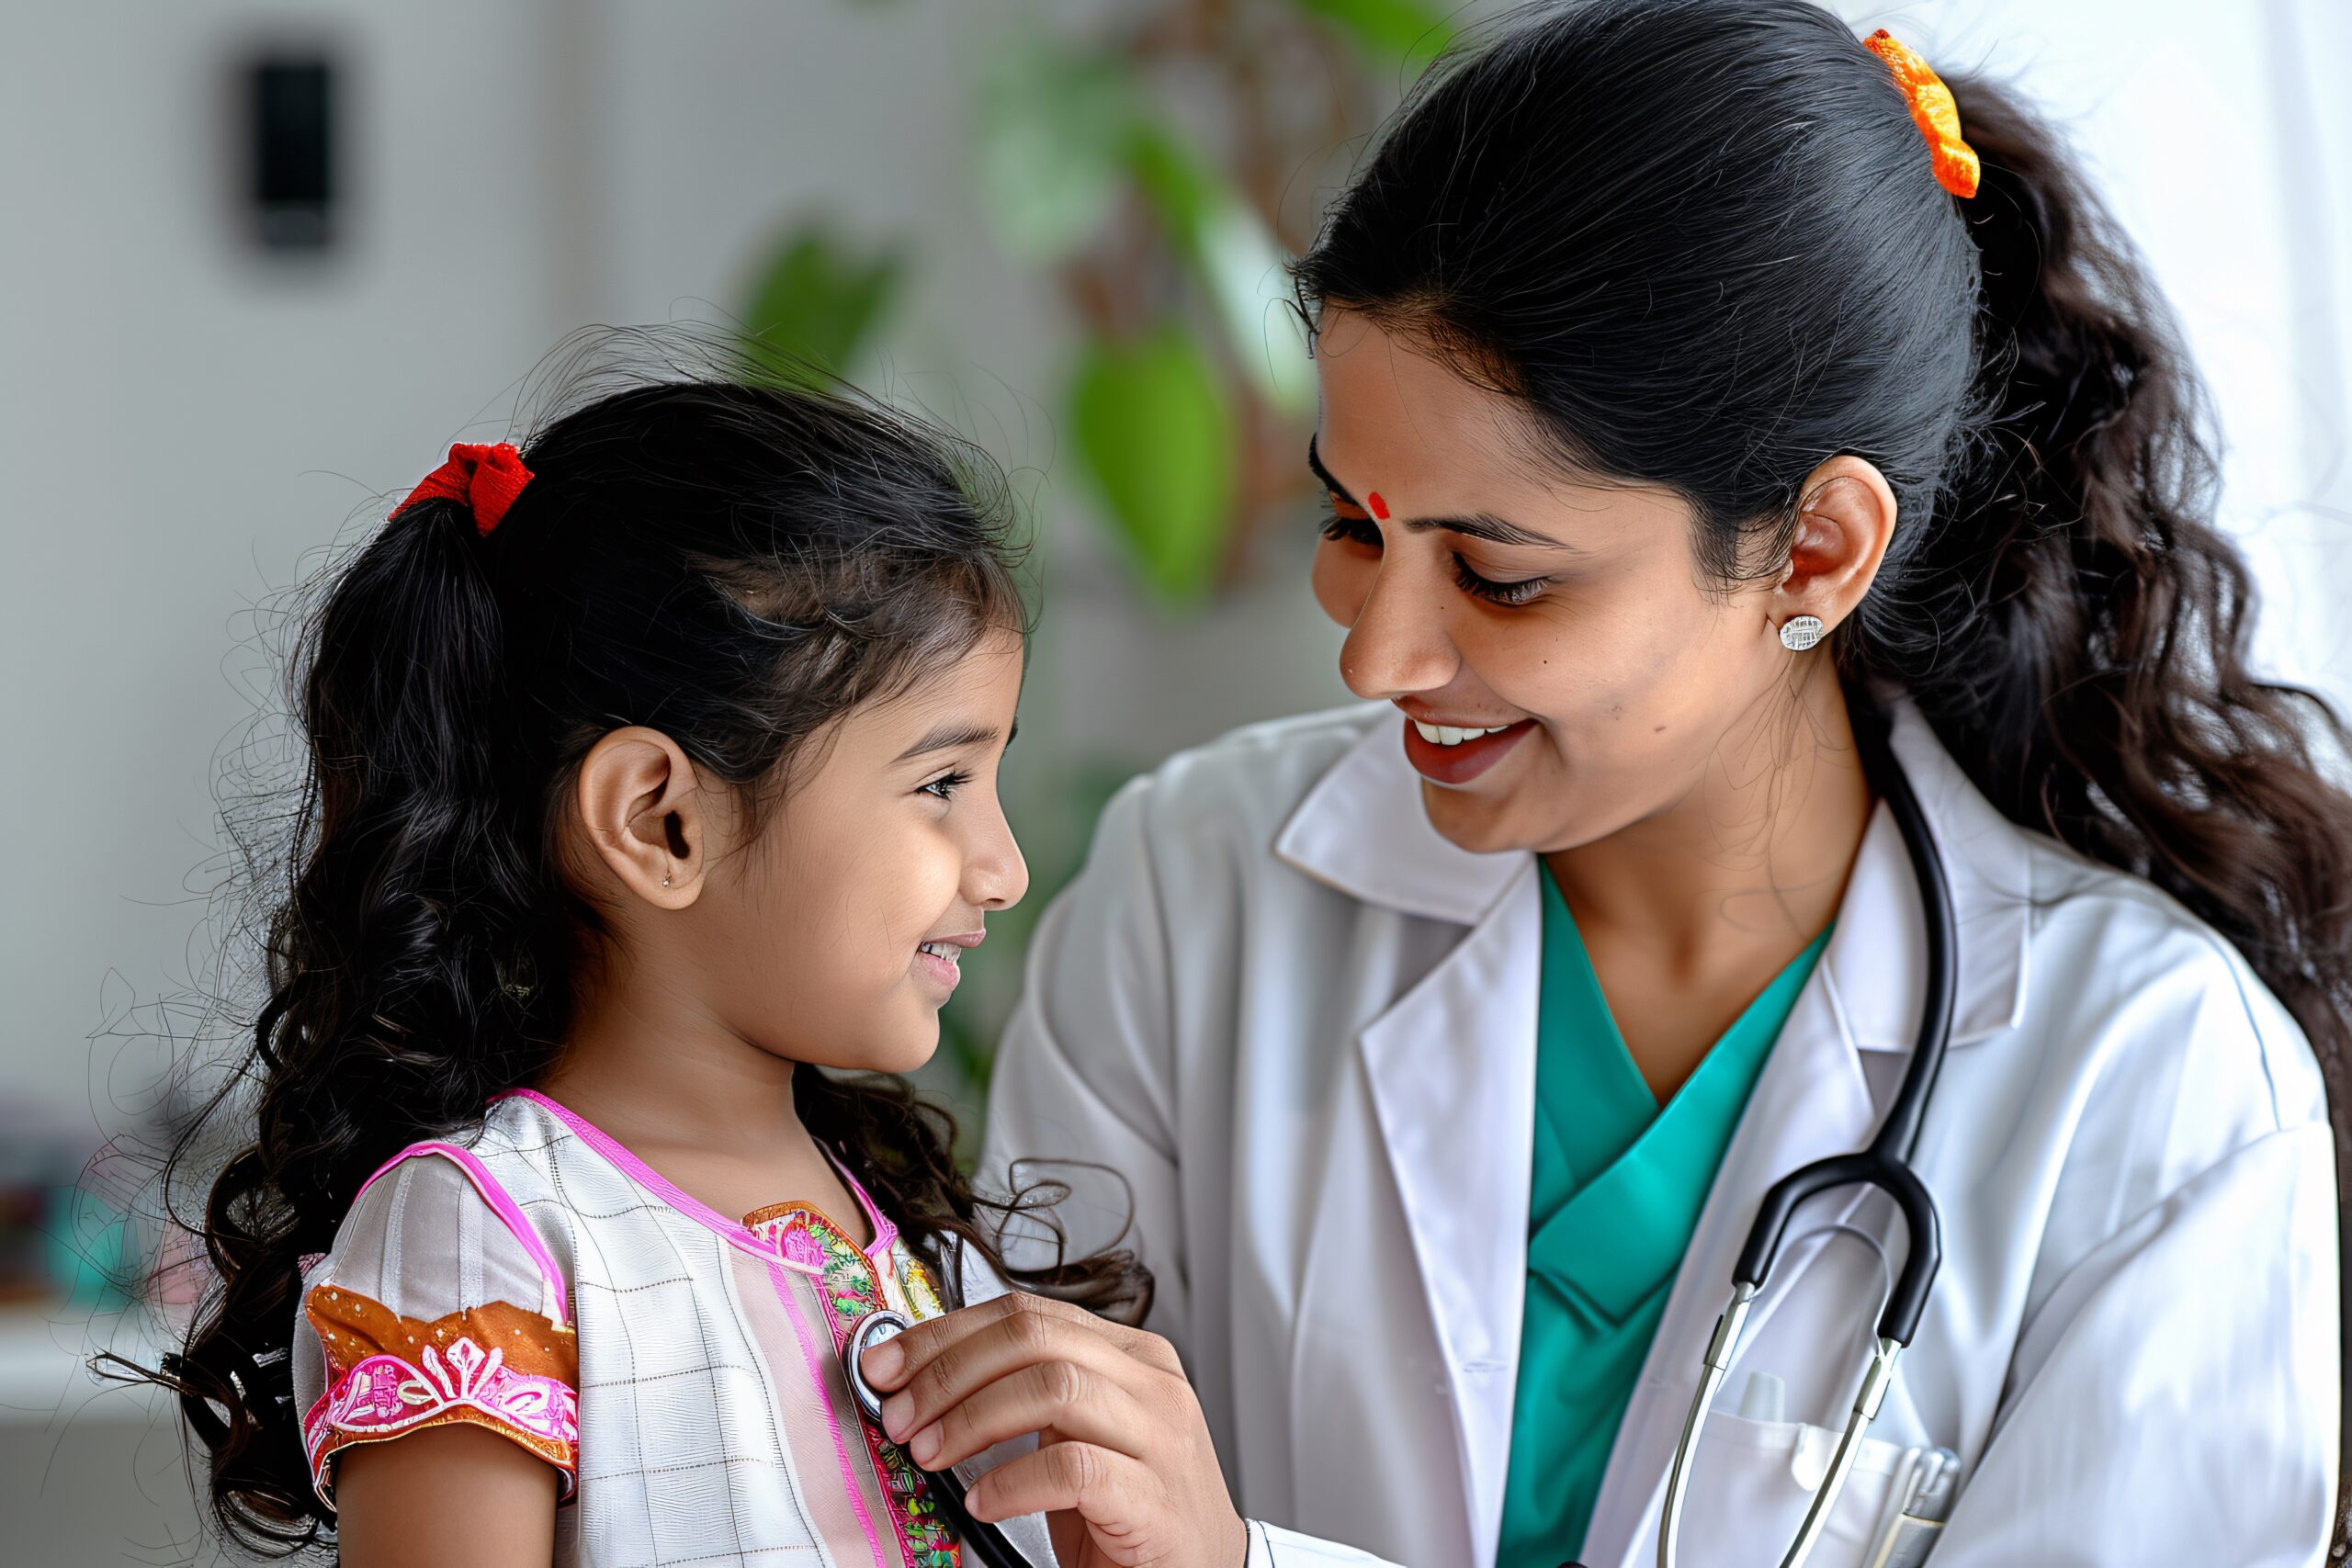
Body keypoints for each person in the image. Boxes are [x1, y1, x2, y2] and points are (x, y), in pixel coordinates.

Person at [886, 2, 2349, 1563]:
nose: (1375, 659)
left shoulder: (2155, 1094)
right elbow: (1006, 1517)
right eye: (1354, 528)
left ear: (1816, 551)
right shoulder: (1203, 889)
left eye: (1501, 578)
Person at [153, 371, 1210, 1567]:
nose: (1003, 869)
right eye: (940, 787)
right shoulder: (491, 1235)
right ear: (660, 821)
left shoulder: (894, 1225)